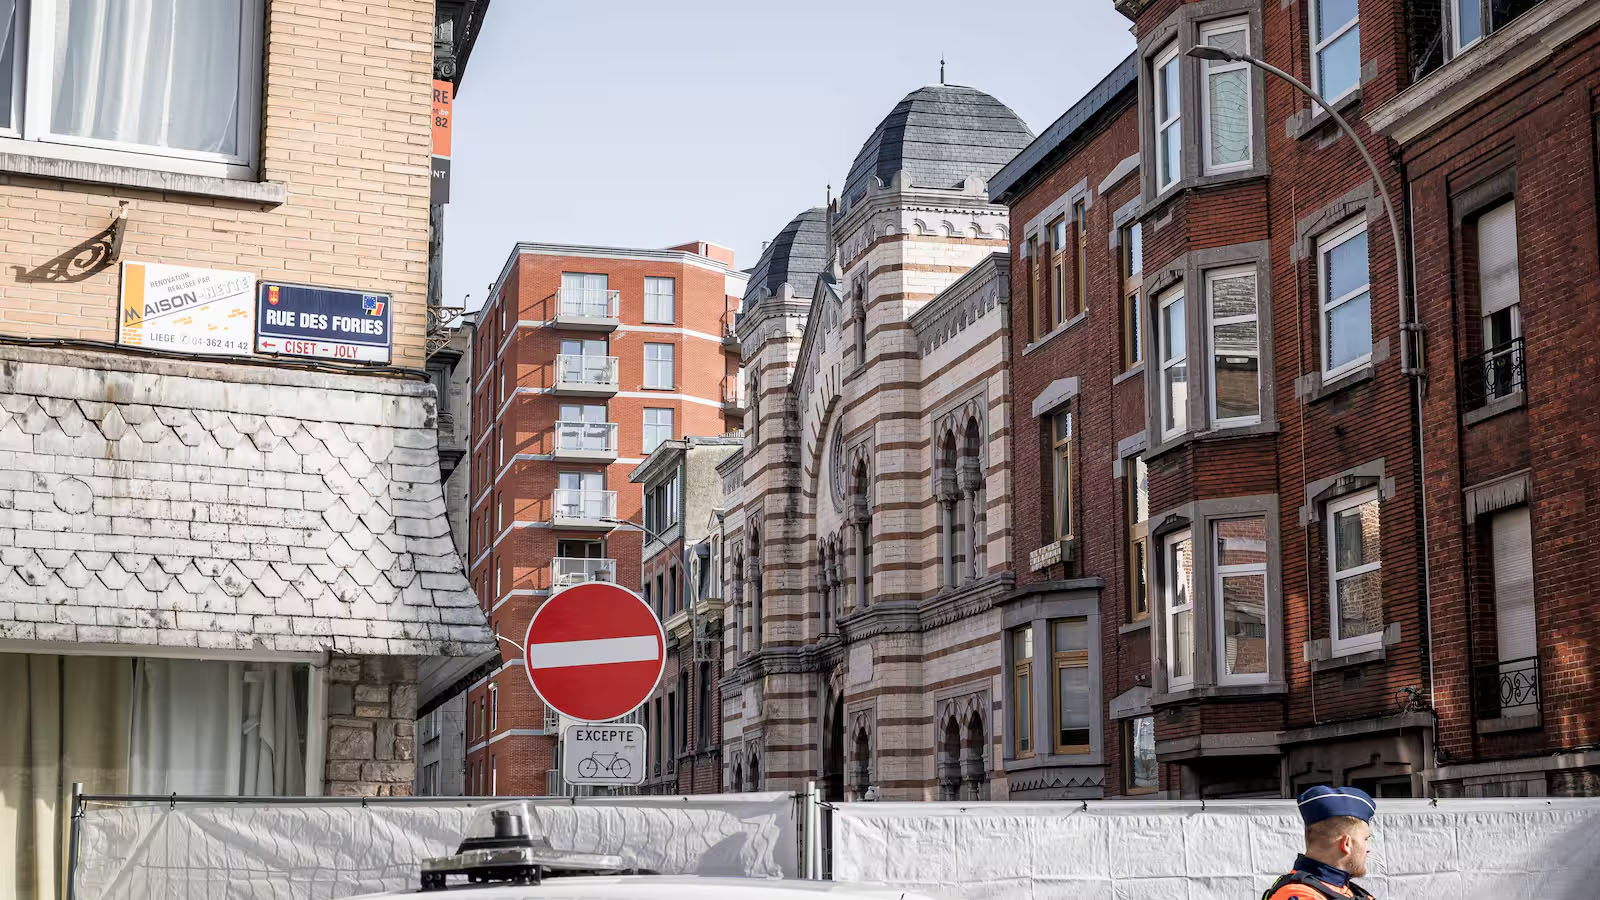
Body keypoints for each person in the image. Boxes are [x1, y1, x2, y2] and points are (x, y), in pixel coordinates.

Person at [1263, 785, 1377, 900]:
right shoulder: (1301, 895)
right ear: (1346, 844)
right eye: (1365, 839)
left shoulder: (1346, 890)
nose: (1368, 849)